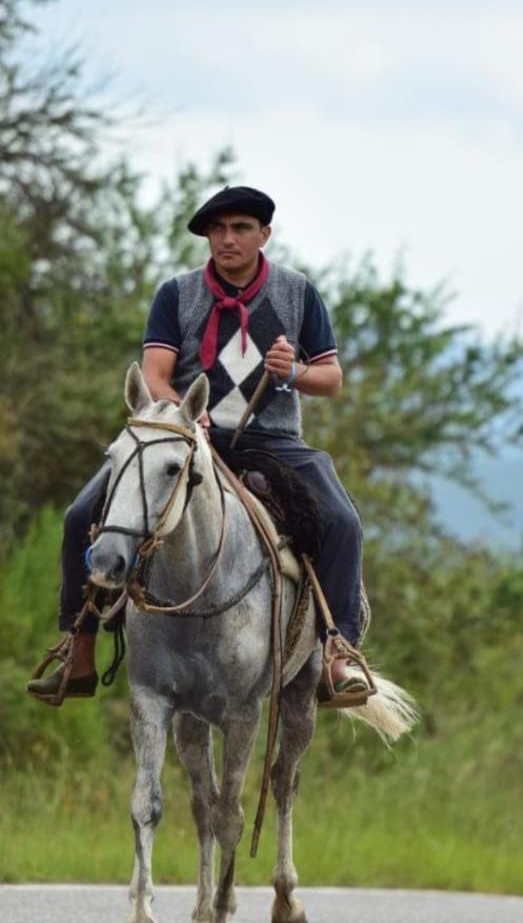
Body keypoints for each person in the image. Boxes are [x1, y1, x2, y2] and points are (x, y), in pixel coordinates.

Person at [27, 185, 367, 708]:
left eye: (240, 229)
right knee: (79, 516)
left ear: (263, 235)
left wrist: (293, 372)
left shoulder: (298, 292)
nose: (226, 239)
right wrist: (187, 412)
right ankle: (80, 649)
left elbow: (332, 378)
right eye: (217, 229)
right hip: (185, 435)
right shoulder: (177, 293)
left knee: (342, 521)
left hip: (271, 439)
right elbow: (157, 376)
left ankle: (337, 653)